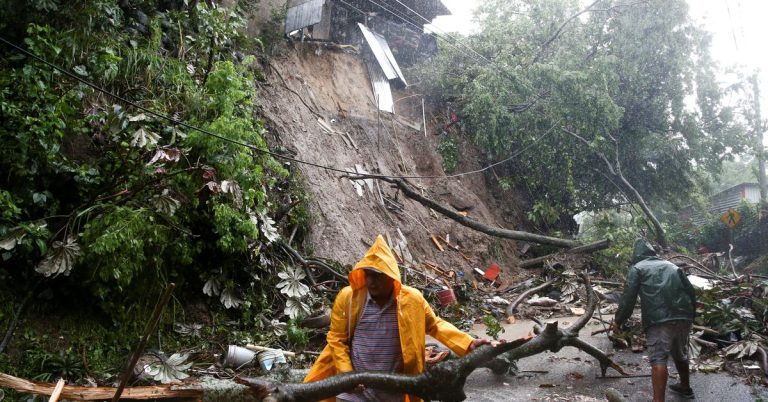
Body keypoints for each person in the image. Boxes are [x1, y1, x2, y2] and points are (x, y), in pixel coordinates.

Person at [304, 235, 494, 402]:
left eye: (378, 276)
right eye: (368, 275)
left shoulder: (412, 300)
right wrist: (346, 375)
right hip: (353, 392)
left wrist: (468, 344)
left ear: (391, 277)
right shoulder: (349, 298)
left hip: (393, 390)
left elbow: (435, 325)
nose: (371, 281)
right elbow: (337, 339)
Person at [612, 239, 697, 401]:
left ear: (636, 255)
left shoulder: (637, 268)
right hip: (684, 315)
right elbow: (690, 291)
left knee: (658, 358)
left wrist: (618, 320)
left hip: (659, 319)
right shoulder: (673, 266)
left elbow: (628, 298)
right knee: (680, 353)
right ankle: (685, 388)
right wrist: (691, 314)